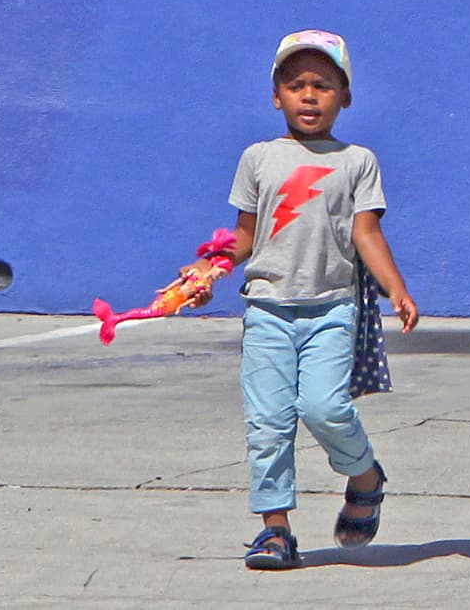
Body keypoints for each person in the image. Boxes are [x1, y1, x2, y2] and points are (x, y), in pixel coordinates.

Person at [177, 29, 419, 568]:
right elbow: (243, 237)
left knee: (325, 407)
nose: (309, 96)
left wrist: (394, 288)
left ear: (345, 96)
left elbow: (366, 234)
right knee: (268, 422)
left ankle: (364, 475)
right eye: (295, 85)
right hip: (267, 309)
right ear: (275, 95)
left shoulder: (358, 161)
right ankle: (275, 530)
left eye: (323, 85)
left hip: (332, 308)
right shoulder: (258, 158)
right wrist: (206, 270)